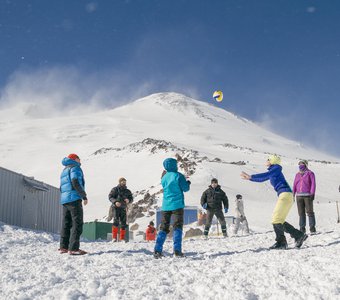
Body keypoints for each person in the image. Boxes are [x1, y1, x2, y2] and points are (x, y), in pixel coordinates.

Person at [241, 155, 308, 249]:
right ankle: (298, 235)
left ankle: (281, 243)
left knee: (276, 219)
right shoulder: (274, 170)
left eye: (268, 159)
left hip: (285, 194)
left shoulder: (276, 168)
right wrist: (250, 178)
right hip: (286, 195)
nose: (266, 160)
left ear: (273, 161)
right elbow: (263, 178)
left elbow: (265, 176)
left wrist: (250, 177)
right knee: (279, 220)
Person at [154, 158, 191, 258]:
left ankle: (157, 250)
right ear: (174, 165)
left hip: (166, 206)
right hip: (177, 205)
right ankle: (177, 251)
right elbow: (185, 188)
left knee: (163, 227)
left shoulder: (164, 177)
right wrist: (188, 183)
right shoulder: (178, 176)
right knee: (177, 226)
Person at [59, 153, 88, 255]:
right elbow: (75, 181)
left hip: (65, 200)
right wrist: (83, 196)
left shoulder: (65, 170)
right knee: (77, 223)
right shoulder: (75, 168)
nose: (80, 160)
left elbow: (61, 187)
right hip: (74, 198)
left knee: (66, 223)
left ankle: (63, 247)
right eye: (79, 158)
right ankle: (74, 248)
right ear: (75, 159)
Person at [293, 160, 317, 234]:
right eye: (299, 164)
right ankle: (302, 229)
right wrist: (293, 193)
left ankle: (312, 228)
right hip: (299, 196)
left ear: (306, 165)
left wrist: (312, 193)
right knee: (301, 213)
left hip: (307, 196)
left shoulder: (310, 173)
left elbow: (313, 184)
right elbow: (294, 184)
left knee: (310, 212)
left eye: (302, 164)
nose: (301, 165)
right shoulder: (297, 174)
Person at [108, 177, 133, 242]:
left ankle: (122, 238)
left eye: (125, 181)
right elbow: (110, 197)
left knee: (123, 223)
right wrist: (115, 202)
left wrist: (128, 200)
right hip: (116, 208)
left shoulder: (128, 191)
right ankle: (114, 238)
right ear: (119, 182)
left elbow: (131, 198)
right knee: (115, 221)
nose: (124, 183)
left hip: (124, 208)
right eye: (122, 181)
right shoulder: (115, 189)